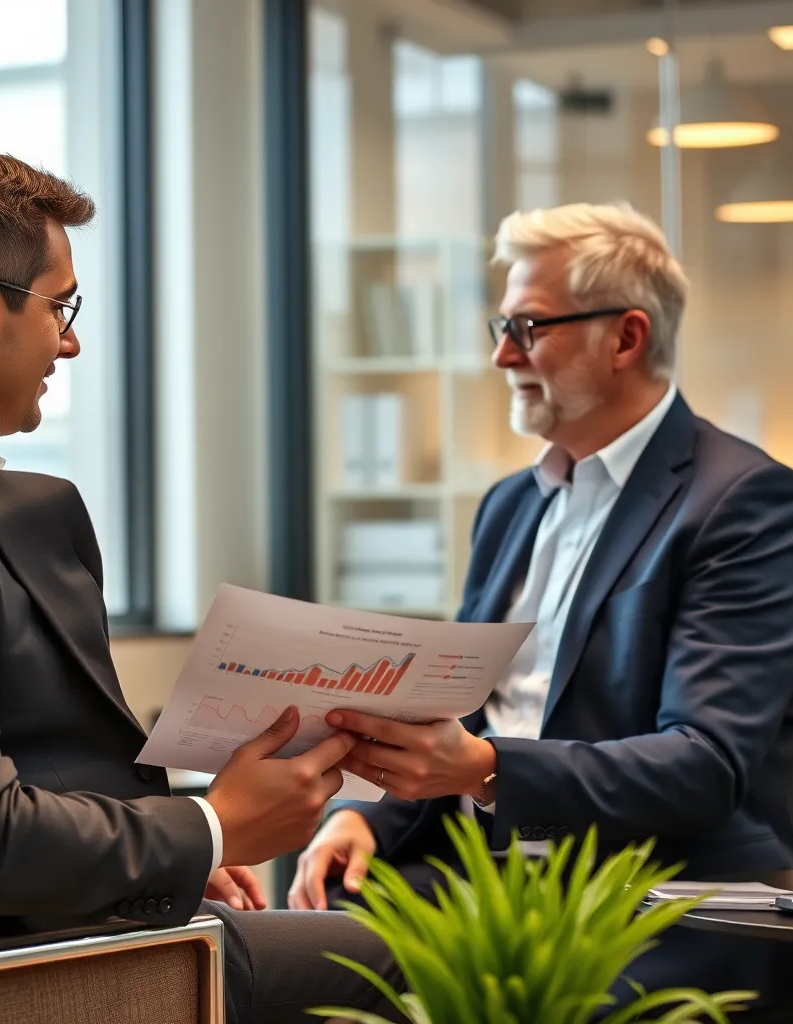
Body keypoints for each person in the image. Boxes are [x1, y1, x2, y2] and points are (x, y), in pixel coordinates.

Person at [0, 140, 403, 1024]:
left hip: (46, 924)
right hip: (9, 967)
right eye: (62, 306)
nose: (70, 341)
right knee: (418, 956)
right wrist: (214, 825)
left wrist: (171, 852)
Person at [289, 201, 793, 1009]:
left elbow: (704, 763)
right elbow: (468, 707)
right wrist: (370, 822)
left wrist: (487, 770)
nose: (499, 355)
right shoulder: (509, 505)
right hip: (486, 877)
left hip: (649, 897)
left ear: (626, 337)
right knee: (268, 960)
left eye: (527, 328)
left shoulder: (741, 501)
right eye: (502, 325)